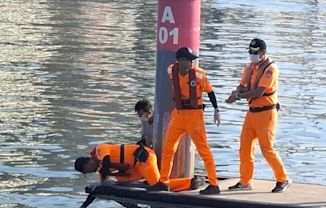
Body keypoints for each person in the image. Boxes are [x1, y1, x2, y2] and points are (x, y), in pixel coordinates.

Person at [151, 47, 221, 195]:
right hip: (178, 114)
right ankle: (163, 181)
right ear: (180, 61)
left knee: (204, 150)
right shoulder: (171, 71)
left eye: (192, 60)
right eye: (189, 60)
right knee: (168, 148)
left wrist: (216, 110)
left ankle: (214, 184)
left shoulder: (199, 75)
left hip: (195, 116)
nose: (192, 62)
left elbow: (210, 92)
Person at [225, 38, 291, 193]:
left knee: (267, 149)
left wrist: (239, 97)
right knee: (245, 148)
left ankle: (283, 179)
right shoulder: (250, 67)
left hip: (266, 113)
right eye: (250, 52)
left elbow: (258, 91)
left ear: (263, 52)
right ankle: (245, 181)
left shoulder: (271, 69)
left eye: (255, 53)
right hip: (252, 113)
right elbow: (242, 85)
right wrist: (235, 93)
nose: (252, 55)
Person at [74, 143, 205, 192]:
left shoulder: (99, 150)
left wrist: (103, 177)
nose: (90, 171)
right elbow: (102, 184)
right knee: (119, 181)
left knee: (158, 186)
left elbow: (107, 161)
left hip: (143, 159)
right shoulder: (101, 167)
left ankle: (191, 182)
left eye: (87, 170)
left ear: (87, 163)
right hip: (135, 168)